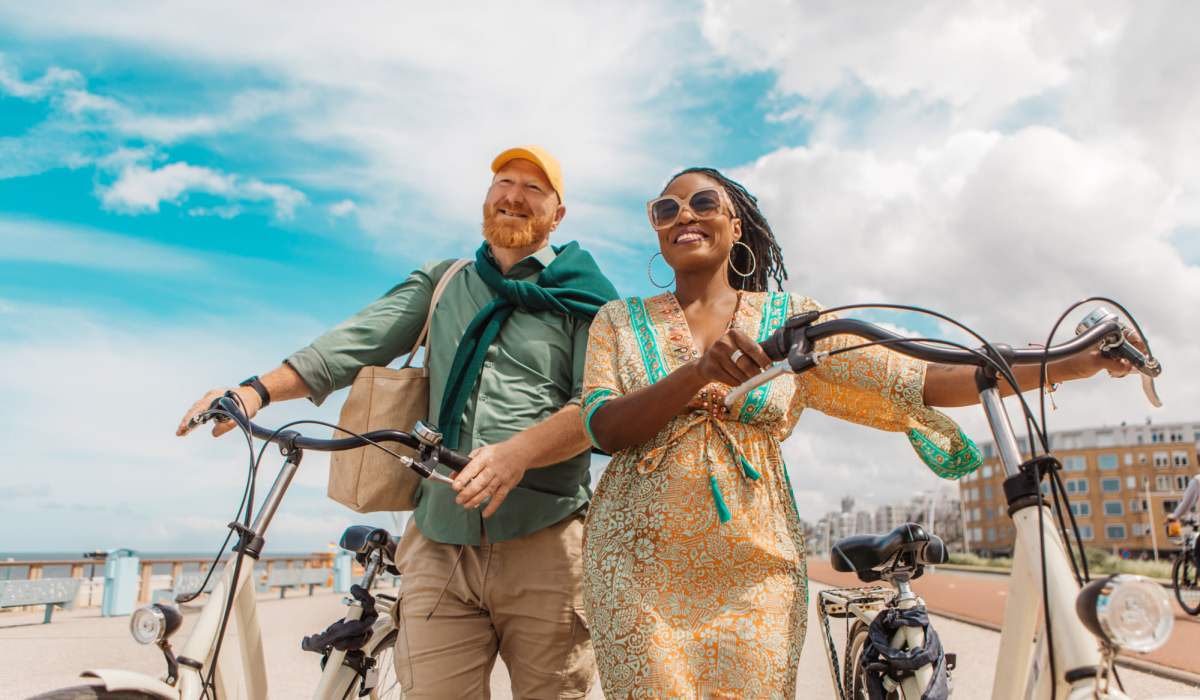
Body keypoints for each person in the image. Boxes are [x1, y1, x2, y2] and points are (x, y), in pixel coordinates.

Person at [579, 166, 1141, 698]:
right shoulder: (619, 322)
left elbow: (917, 376)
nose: (684, 216)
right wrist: (697, 373)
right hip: (637, 570)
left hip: (758, 566)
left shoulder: (793, 321)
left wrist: (1069, 364)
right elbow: (604, 427)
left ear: (736, 223)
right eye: (665, 209)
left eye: (703, 203)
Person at [178, 146, 617, 699]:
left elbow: (599, 406)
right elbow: (354, 342)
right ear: (486, 199)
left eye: (534, 189)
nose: (514, 196)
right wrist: (256, 390)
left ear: (558, 214)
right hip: (438, 539)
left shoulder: (587, 300)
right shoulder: (447, 282)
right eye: (504, 182)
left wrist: (518, 453)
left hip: (545, 541)